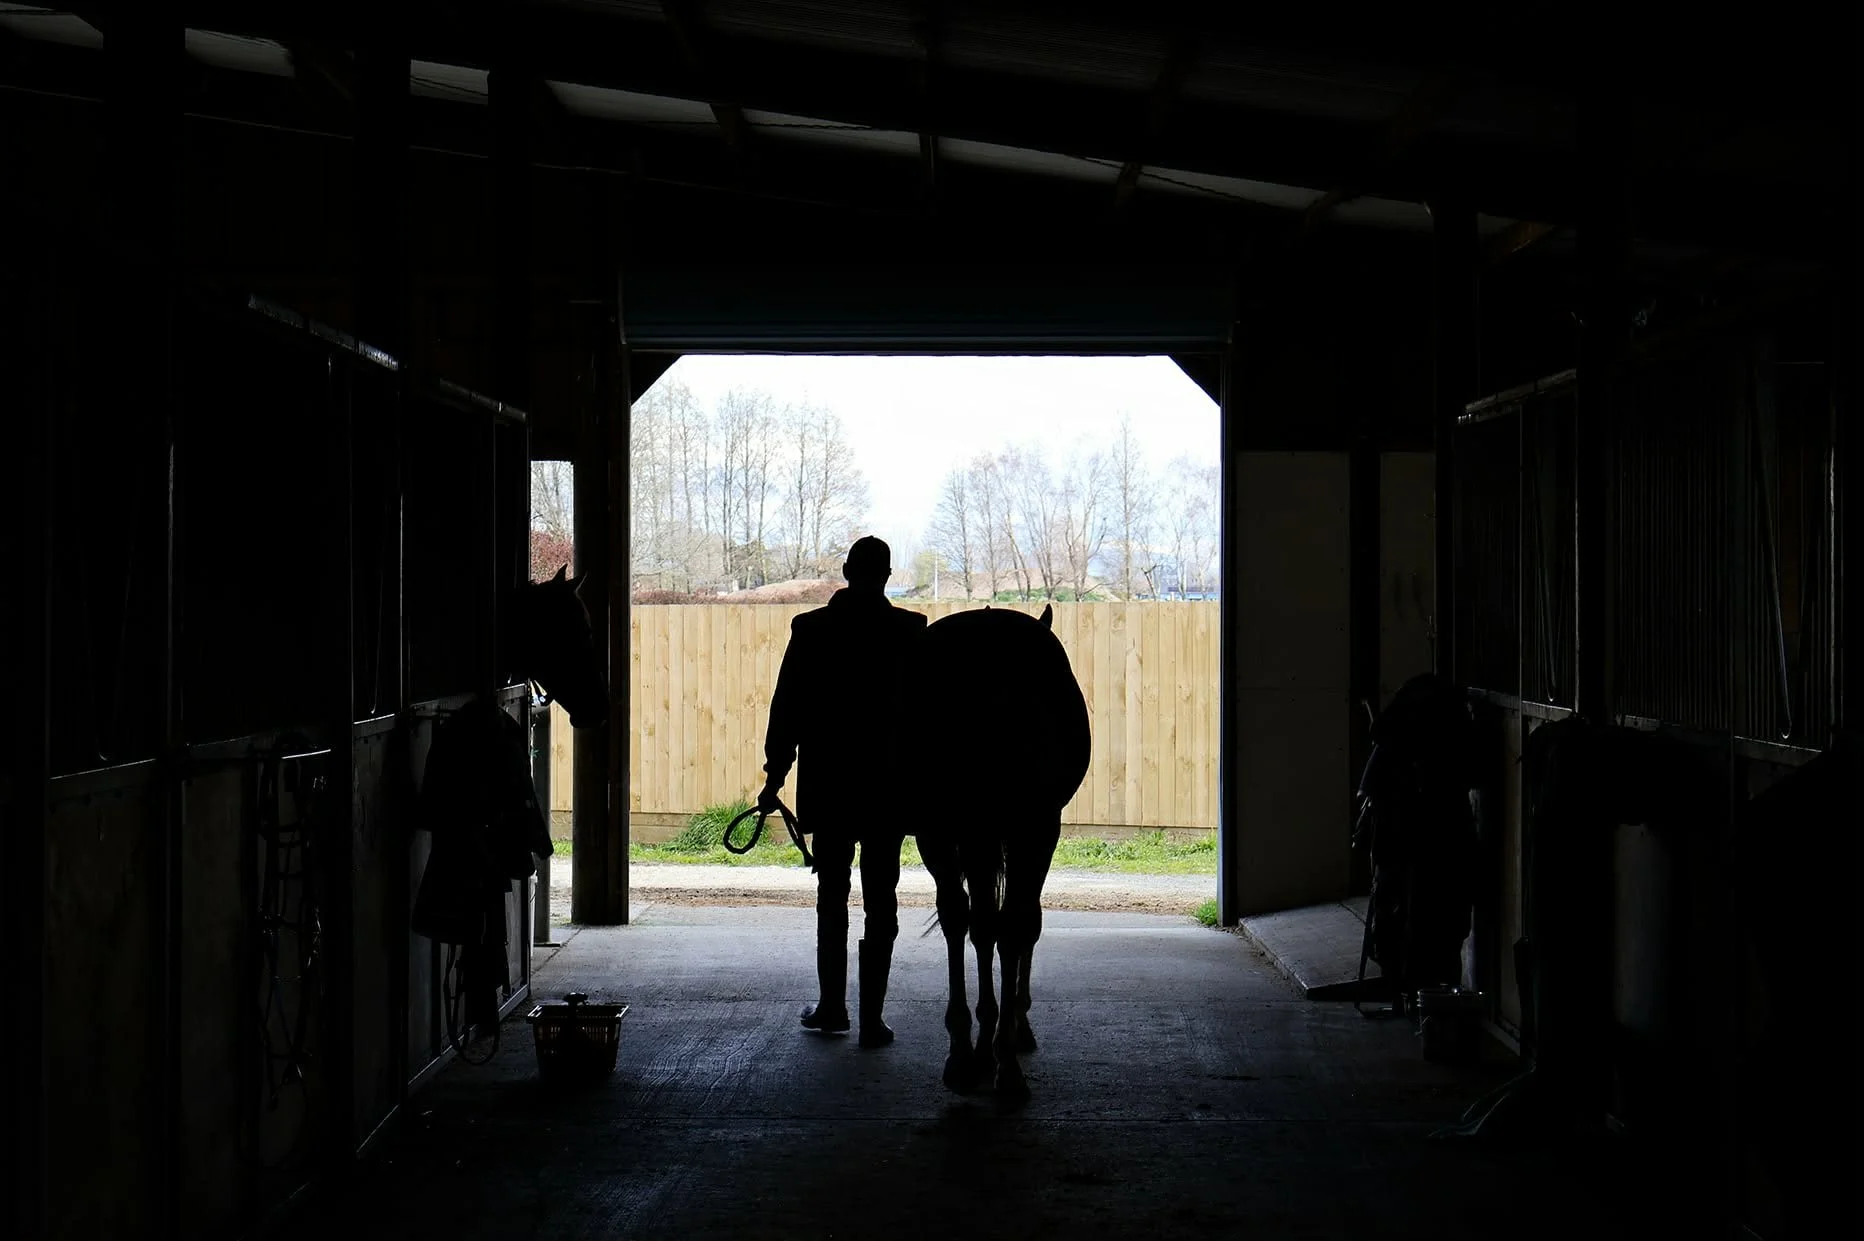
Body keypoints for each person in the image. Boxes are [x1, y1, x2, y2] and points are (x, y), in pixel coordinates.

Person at [758, 536, 925, 1048]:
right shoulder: (909, 632)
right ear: (888, 575)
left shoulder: (811, 631)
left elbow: (786, 709)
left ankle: (833, 1008)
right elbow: (927, 722)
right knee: (883, 897)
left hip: (830, 786)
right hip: (888, 788)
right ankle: (872, 1020)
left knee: (832, 892)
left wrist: (774, 777)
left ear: (847, 570)